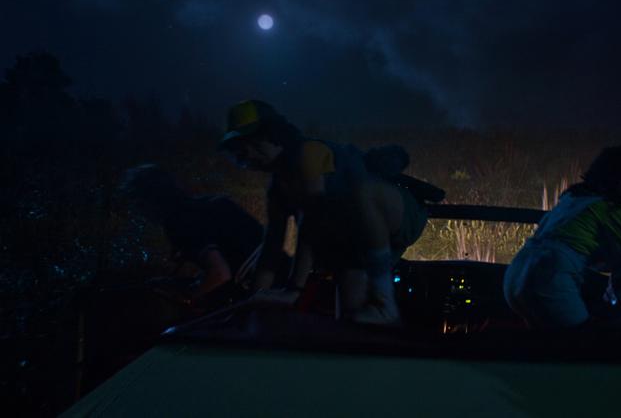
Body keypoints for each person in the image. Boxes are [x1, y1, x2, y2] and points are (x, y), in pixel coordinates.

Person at [218, 99, 429, 325]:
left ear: (271, 134)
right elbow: (271, 248)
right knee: (353, 319)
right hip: (355, 241)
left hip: (396, 212)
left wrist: (294, 288)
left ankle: (385, 303)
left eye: (250, 146)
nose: (246, 157)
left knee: (361, 194)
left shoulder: (307, 154)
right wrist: (252, 305)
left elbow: (312, 222)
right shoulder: (277, 190)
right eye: (239, 152)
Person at [503, 145, 621, 329]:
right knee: (582, 343)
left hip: (516, 273)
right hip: (552, 277)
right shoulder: (613, 207)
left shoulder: (572, 198)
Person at [119, 164, 264, 305]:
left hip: (261, 296)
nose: (138, 213)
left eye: (137, 204)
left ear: (149, 200)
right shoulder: (213, 204)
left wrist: (189, 296)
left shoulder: (179, 223)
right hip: (279, 282)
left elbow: (220, 274)